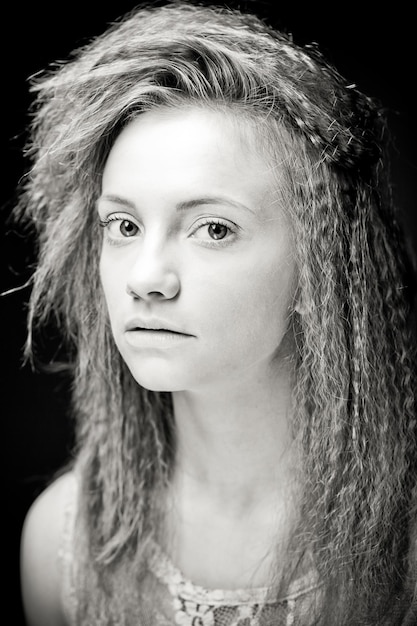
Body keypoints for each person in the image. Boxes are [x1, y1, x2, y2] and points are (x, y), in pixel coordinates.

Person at [15, 1, 417, 624]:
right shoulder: (61, 543)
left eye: (213, 228)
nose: (146, 277)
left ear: (320, 257)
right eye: (122, 225)